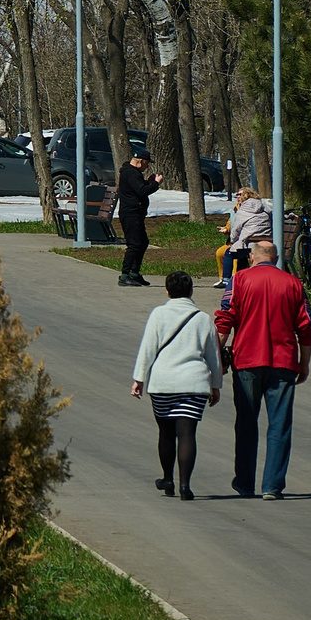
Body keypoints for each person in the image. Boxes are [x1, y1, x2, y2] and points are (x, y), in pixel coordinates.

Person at [216, 236, 311, 500]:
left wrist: (216, 357)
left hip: (247, 360)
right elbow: (306, 327)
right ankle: (272, 485)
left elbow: (225, 318)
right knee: (280, 425)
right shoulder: (293, 284)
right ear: (277, 259)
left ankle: (245, 482)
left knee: (246, 423)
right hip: (283, 362)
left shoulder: (240, 279)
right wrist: (304, 364)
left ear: (252, 257)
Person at [129, 269, 220, 500]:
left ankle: (167, 478)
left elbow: (147, 348)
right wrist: (216, 385)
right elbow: (214, 357)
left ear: (167, 292)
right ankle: (185, 486)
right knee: (187, 434)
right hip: (194, 385)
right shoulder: (203, 319)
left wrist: (139, 379)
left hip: (163, 384)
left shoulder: (158, 314)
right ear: (191, 291)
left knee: (166, 432)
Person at [114, 152, 161, 287]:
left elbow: (138, 188)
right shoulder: (131, 173)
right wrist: (155, 184)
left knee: (143, 242)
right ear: (140, 161)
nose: (147, 167)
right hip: (131, 213)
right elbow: (142, 191)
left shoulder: (132, 173)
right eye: (147, 163)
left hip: (136, 213)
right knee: (134, 244)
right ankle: (125, 275)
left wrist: (149, 182)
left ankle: (134, 273)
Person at [222, 185, 273, 291]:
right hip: (265, 242)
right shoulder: (265, 208)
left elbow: (236, 229)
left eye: (239, 195)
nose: (238, 197)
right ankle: (241, 277)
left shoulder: (243, 211)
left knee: (229, 253)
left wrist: (232, 240)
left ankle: (226, 280)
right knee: (240, 252)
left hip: (249, 243)